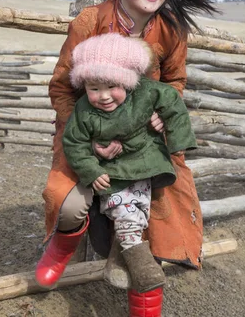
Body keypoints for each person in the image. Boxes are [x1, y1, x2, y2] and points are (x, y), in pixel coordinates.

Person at [35, 0, 220, 316]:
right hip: (85, 133)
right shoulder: (91, 21)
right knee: (66, 200)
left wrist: (161, 116)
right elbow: (61, 86)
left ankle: (142, 297)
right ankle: (62, 245)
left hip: (144, 139)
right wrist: (88, 139)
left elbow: (175, 82)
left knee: (165, 207)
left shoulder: (170, 29)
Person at [61, 33, 197, 293]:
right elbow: (74, 142)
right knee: (126, 207)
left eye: (112, 86)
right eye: (94, 88)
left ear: (128, 81)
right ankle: (135, 259)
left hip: (144, 160)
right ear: (84, 86)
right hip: (111, 169)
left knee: (133, 208)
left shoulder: (146, 93)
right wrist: (90, 169)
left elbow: (172, 103)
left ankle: (133, 256)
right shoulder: (83, 110)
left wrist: (178, 140)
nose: (103, 96)